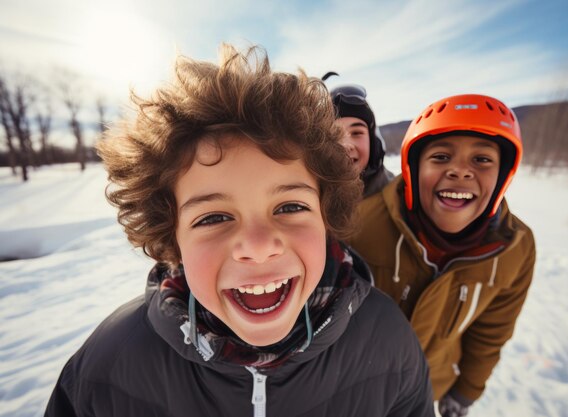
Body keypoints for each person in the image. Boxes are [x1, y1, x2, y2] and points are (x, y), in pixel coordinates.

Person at [44, 44, 434, 417]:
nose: (259, 246)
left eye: (290, 207)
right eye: (213, 217)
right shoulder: (108, 366)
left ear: (325, 217)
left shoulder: (388, 342)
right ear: (171, 235)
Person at [347, 94, 536, 417]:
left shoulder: (515, 249)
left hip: (429, 388)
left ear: (504, 174)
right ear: (412, 168)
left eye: (482, 160)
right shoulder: (359, 226)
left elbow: (491, 331)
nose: (460, 171)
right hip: (355, 390)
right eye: (441, 157)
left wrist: (466, 392)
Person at [330, 83, 394, 198]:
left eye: (356, 133)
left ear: (374, 142)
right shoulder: (306, 199)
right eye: (335, 134)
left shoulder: (402, 197)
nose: (346, 145)